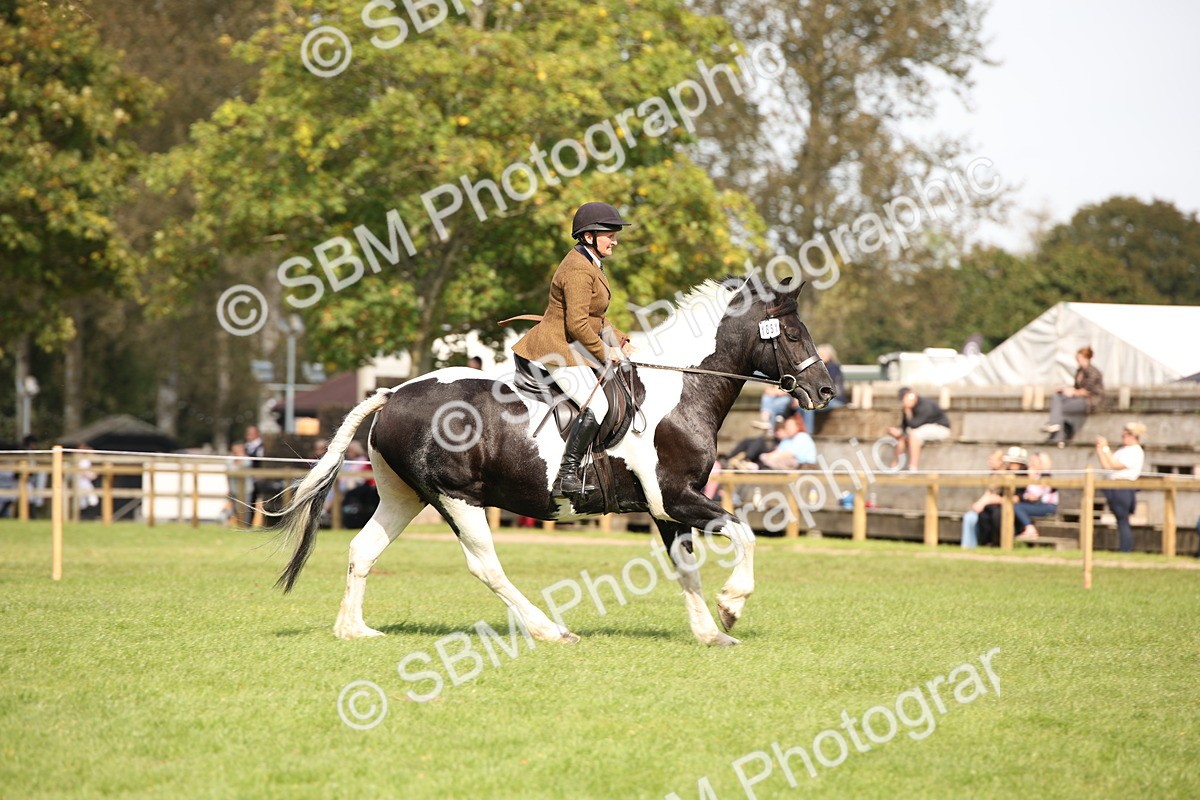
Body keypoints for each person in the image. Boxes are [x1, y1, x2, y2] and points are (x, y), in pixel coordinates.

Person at [512, 201, 634, 500]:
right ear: (589, 236)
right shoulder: (579, 269)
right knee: (599, 406)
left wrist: (620, 339)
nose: (615, 240)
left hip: (570, 344)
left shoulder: (590, 263)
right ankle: (566, 476)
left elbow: (597, 318)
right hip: (556, 349)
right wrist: (607, 354)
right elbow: (578, 326)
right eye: (610, 234)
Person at [1095, 422, 1146, 553]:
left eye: (1125, 435)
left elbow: (1115, 464)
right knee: (1120, 519)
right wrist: (1100, 451)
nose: (1123, 437)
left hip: (1123, 487)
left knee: (1123, 520)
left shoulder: (1135, 451)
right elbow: (1107, 466)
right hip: (1114, 486)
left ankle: (1126, 549)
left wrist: (1106, 448)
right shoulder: (1123, 450)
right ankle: (1124, 548)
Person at [1042, 346, 1104, 444]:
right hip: (1079, 398)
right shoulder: (1080, 371)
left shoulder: (1092, 372)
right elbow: (1077, 388)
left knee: (1059, 408)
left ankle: (1057, 434)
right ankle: (1057, 431)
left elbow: (1087, 391)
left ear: (1086, 358)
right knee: (1057, 398)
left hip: (1089, 401)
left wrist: (1072, 392)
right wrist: (1066, 391)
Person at [887, 387, 951, 471]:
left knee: (914, 434)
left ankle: (913, 467)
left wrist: (908, 411)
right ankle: (895, 466)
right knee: (901, 437)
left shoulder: (925, 405)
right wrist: (898, 431)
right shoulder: (908, 407)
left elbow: (914, 425)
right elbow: (905, 426)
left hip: (940, 428)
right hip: (921, 428)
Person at [976, 448, 1029, 547]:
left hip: (1015, 504)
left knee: (998, 514)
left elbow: (1019, 497)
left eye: (1014, 462)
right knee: (984, 514)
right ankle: (985, 543)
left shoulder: (1024, 476)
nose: (1011, 464)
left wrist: (1000, 500)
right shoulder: (1006, 473)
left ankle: (998, 543)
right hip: (1001, 502)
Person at [960, 448, 1005, 548]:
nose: (989, 462)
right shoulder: (992, 475)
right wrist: (979, 503)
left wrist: (983, 502)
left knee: (992, 516)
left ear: (1000, 461)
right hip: (990, 506)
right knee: (971, 516)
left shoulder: (1005, 475)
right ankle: (972, 545)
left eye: (991, 460)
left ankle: (993, 543)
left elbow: (996, 496)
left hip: (999, 506)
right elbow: (988, 493)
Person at [798, 343, 847, 434]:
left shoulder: (833, 367)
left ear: (828, 355)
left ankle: (807, 434)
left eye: (821, 354)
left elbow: (826, 387)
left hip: (835, 400)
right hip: (824, 399)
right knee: (801, 406)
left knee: (809, 408)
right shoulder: (820, 368)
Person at [1014, 452, 1060, 542]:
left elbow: (1036, 495)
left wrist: (1031, 480)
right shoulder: (1034, 476)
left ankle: (1030, 529)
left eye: (1033, 461)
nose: (1030, 464)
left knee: (1017, 507)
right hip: (1037, 505)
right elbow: (1027, 495)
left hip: (1048, 506)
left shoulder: (1046, 476)